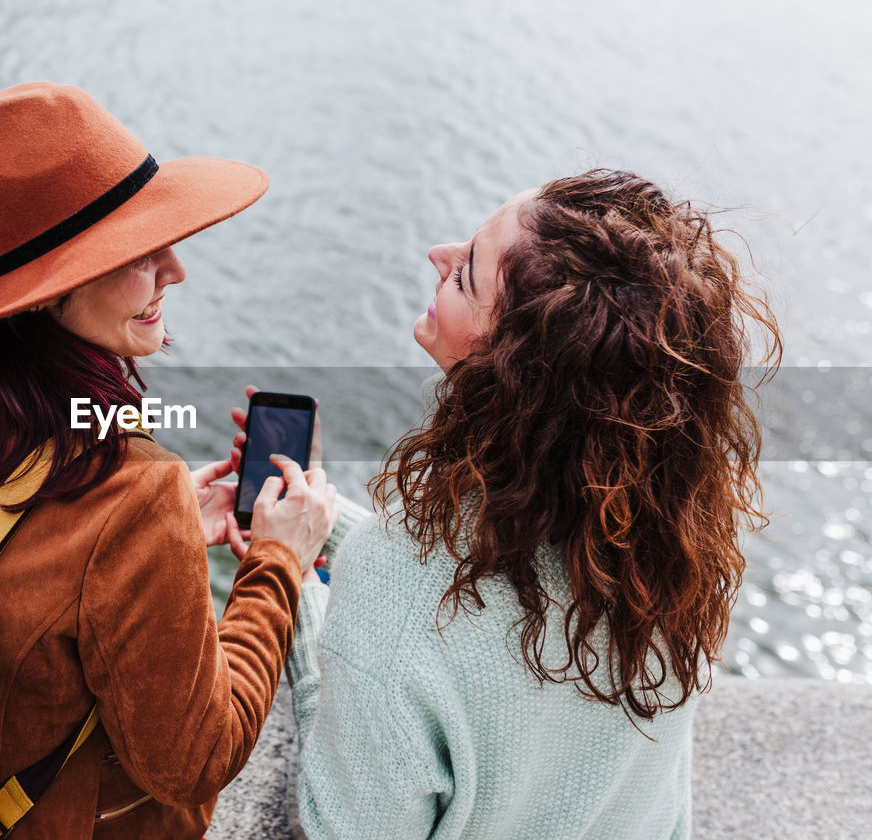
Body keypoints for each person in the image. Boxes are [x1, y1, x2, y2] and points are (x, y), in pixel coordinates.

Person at [0, 82, 336, 837]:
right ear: (43, 295)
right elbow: (195, 760)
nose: (176, 269)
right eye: (138, 251)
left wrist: (150, 553)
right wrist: (276, 563)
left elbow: (1, 571)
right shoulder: (127, 488)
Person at [282, 170, 781, 838]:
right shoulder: (668, 547)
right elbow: (506, 576)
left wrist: (290, 583)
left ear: (512, 364)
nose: (439, 253)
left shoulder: (393, 584)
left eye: (467, 276)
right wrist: (322, 519)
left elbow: (344, 824)